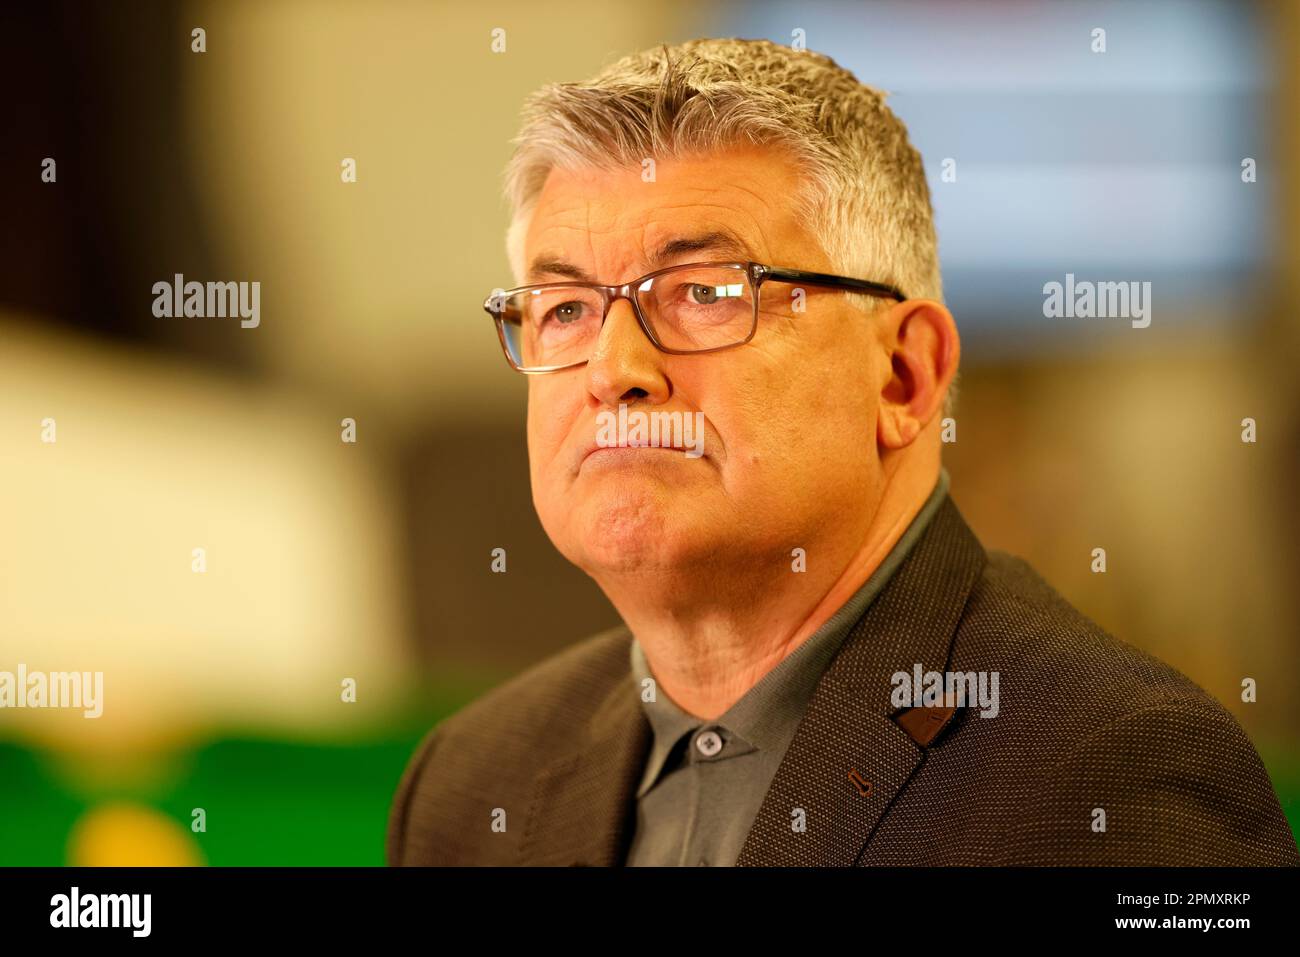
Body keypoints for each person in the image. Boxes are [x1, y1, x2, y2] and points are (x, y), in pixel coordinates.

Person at [388, 38, 1298, 866]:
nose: (615, 369)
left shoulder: (1112, 772)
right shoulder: (471, 783)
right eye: (566, 310)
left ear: (905, 375)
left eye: (704, 292)